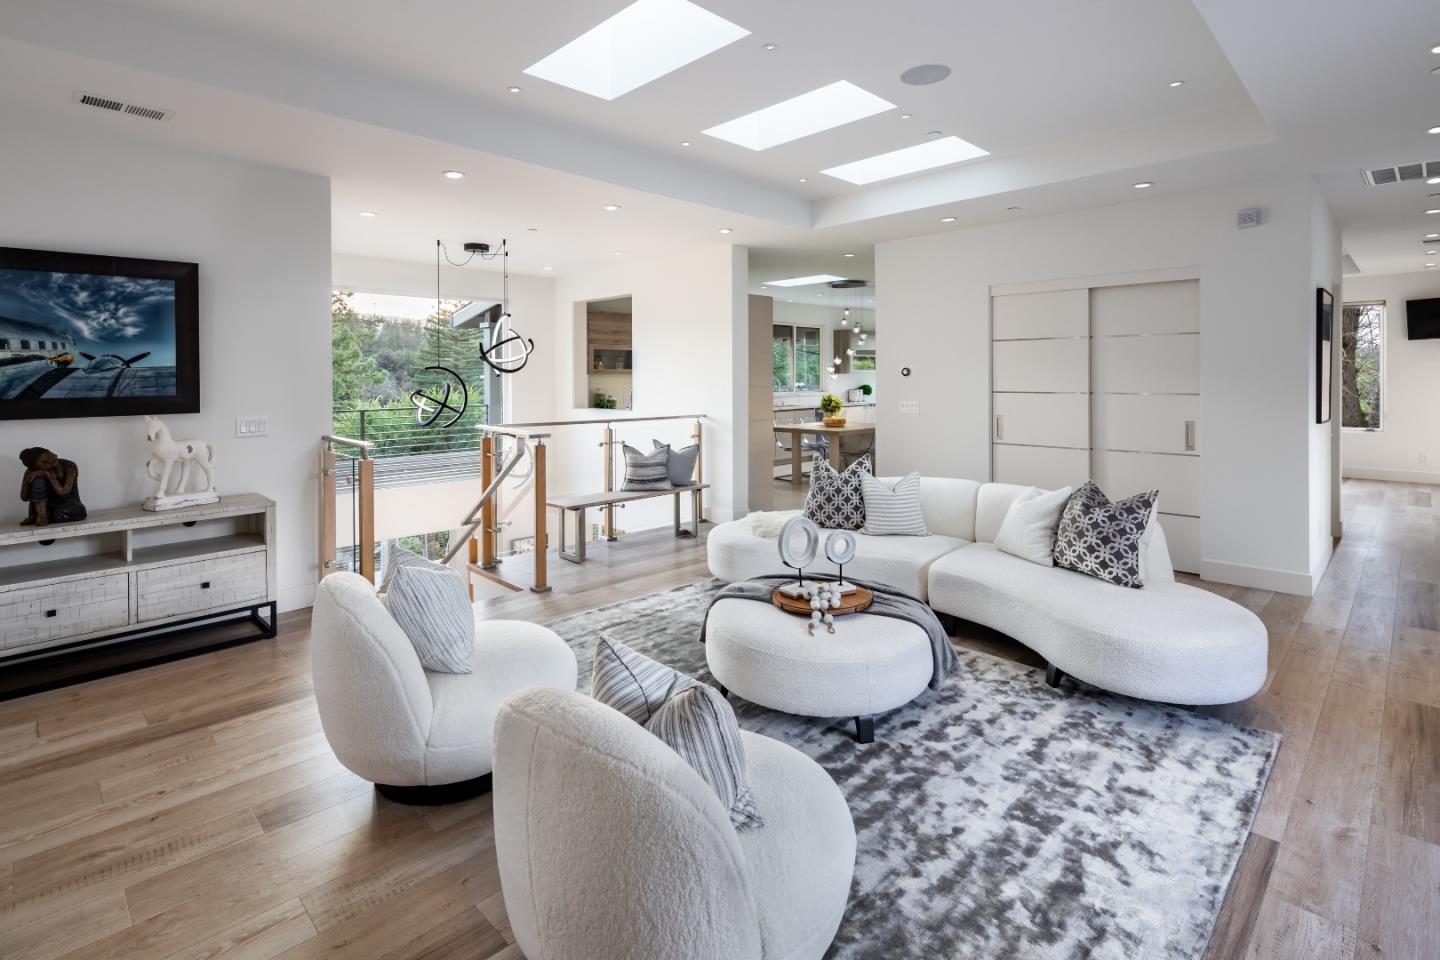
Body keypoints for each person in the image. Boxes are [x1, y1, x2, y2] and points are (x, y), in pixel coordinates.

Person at [18, 447, 86, 526]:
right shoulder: (33, 472)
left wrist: (48, 475)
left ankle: (46, 517)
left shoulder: (69, 466)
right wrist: (27, 480)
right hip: (45, 507)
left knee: (58, 514)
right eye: (44, 462)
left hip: (68, 506)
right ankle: (41, 516)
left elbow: (64, 493)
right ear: (37, 467)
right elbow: (24, 498)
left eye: (48, 455)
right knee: (38, 480)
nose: (50, 460)